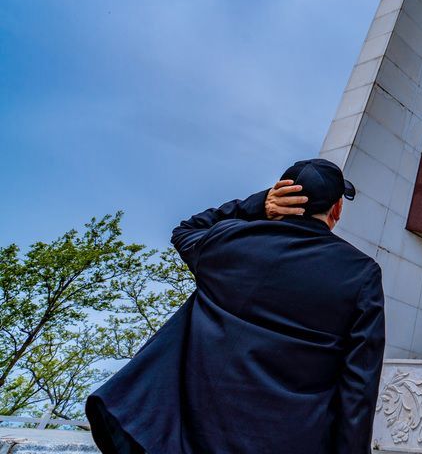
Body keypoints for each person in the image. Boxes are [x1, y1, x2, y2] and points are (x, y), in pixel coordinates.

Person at [86, 158, 386, 454]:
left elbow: (187, 229)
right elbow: (358, 385)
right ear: (337, 208)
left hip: (197, 439)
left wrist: (256, 206)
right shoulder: (361, 273)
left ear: (280, 198)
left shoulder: (228, 243)